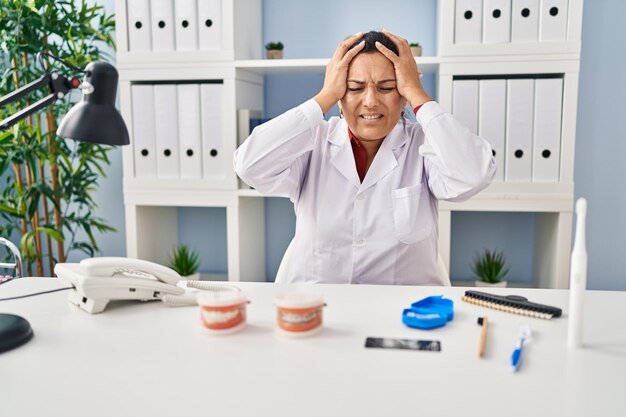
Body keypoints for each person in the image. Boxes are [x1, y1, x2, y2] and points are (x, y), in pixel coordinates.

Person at [234, 30, 496, 285]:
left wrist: (417, 94)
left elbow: (474, 174)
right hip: (319, 310)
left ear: (403, 96)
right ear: (339, 95)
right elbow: (249, 165)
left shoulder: (425, 144)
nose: (370, 101)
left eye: (387, 87)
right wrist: (324, 96)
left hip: (406, 313)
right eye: (355, 88)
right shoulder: (314, 142)